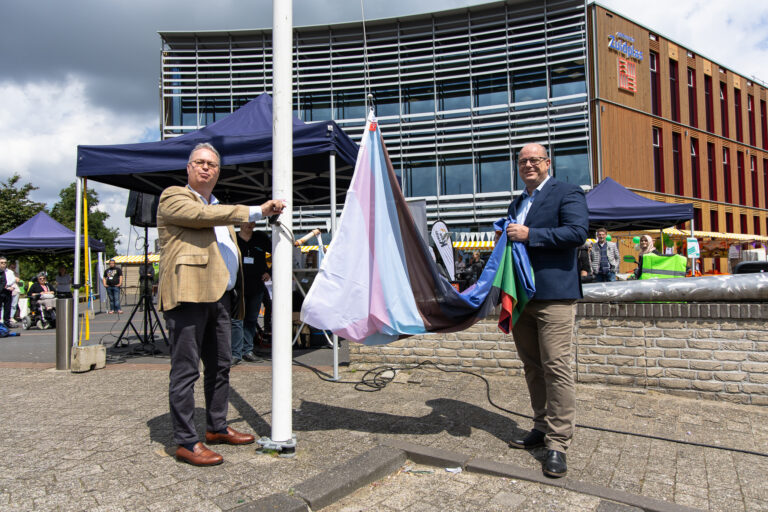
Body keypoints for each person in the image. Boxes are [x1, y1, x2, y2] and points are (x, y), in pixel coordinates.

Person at [157, 142, 285, 466]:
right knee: (186, 372)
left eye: (212, 164)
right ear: (188, 168)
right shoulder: (175, 196)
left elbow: (230, 250)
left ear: (218, 172)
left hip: (221, 298)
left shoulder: (220, 210)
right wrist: (256, 211)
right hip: (188, 296)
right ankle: (186, 442)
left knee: (221, 367)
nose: (205, 168)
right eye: (199, 162)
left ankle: (216, 427)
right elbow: (201, 217)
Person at [502, 143, 588, 478]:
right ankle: (540, 426)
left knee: (556, 367)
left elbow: (578, 233)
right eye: (523, 161)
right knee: (533, 366)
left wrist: (529, 234)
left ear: (547, 163)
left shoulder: (567, 192)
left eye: (534, 160)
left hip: (554, 296)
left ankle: (558, 442)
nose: (528, 165)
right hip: (523, 298)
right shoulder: (517, 202)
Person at [230, 221, 270, 365]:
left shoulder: (261, 237)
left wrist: (269, 272)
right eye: (246, 221)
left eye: (252, 222)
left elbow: (277, 251)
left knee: (251, 319)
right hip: (237, 286)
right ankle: (236, 353)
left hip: (257, 285)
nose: (249, 224)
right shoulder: (232, 238)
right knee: (236, 320)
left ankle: (248, 350)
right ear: (239, 223)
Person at [0, 258, 18, 327]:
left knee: (8, 307)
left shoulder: (10, 272)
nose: (4, 264)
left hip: (8, 291)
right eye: (2, 262)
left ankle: (7, 322)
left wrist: (13, 287)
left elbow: (13, 280)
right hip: (1, 291)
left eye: (5, 262)